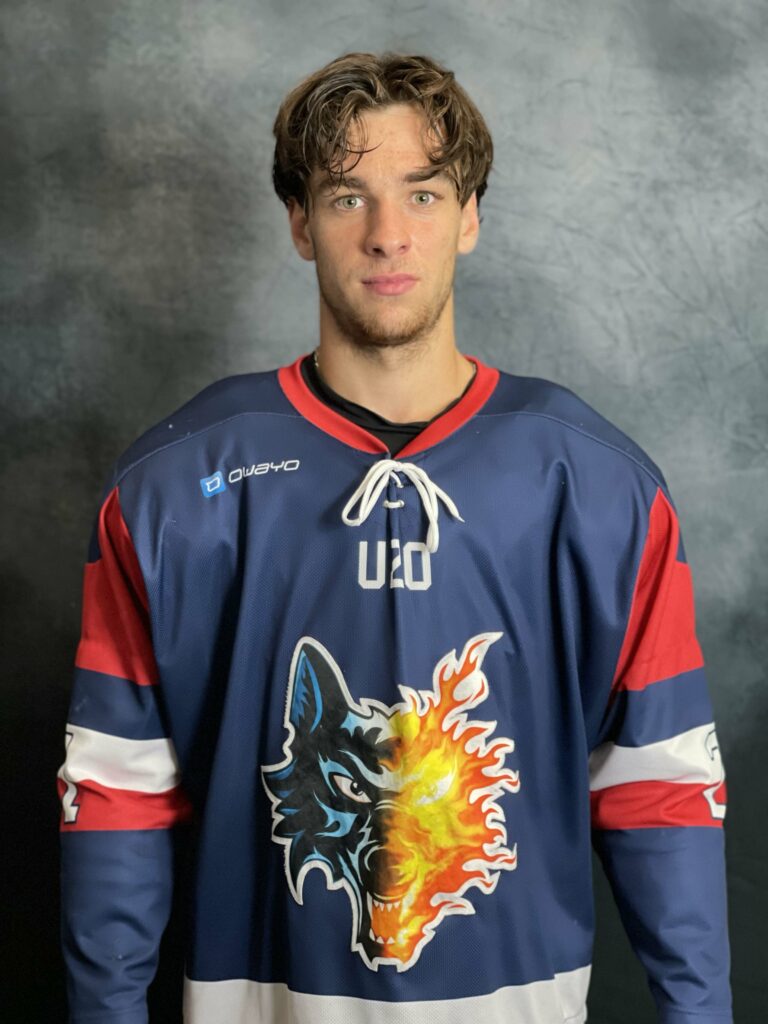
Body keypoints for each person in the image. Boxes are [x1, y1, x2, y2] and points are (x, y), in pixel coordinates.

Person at [58, 51, 733, 1024]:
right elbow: (117, 791)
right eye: (347, 198)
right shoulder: (171, 487)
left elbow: (659, 786)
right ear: (300, 223)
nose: (387, 234)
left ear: (470, 216)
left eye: (423, 193)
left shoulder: (598, 485)